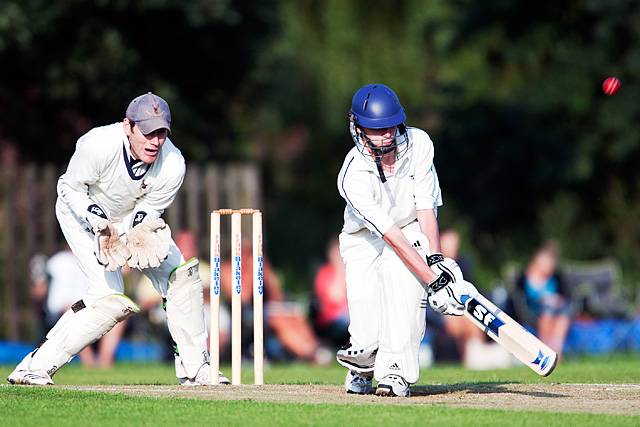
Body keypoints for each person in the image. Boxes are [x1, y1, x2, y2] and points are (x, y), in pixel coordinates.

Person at [7, 92, 228, 386]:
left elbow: (148, 208)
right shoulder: (97, 144)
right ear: (128, 126)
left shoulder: (173, 163)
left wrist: (137, 232)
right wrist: (99, 224)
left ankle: (196, 368)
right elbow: (71, 189)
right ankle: (32, 368)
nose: (155, 141)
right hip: (80, 213)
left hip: (127, 217)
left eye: (161, 133)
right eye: (148, 132)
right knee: (107, 297)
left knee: (181, 276)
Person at [336, 83, 477, 396]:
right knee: (366, 332)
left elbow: (426, 208)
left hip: (412, 227)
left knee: (403, 287)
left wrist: (437, 262)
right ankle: (364, 364)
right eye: (376, 129)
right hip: (364, 240)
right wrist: (433, 282)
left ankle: (396, 371)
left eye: (389, 126)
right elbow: (389, 235)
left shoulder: (420, 144)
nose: (386, 135)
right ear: (357, 127)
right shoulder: (352, 176)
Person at [220, 242, 331, 364]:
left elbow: (276, 293)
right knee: (279, 320)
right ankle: (308, 352)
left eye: (250, 252)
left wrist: (264, 270)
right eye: (246, 253)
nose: (248, 256)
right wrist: (251, 274)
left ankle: (312, 346)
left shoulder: (260, 265)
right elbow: (243, 297)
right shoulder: (228, 269)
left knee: (295, 315)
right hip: (248, 312)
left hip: (268, 308)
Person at [514, 241, 571, 356]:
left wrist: (556, 300)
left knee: (563, 314)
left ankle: (556, 353)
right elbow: (520, 299)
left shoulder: (556, 277)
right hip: (533, 311)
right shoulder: (525, 277)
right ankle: (545, 351)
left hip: (556, 310)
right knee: (547, 310)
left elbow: (566, 295)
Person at [312, 237, 350, 348]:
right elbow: (335, 297)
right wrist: (340, 269)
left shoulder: (353, 271)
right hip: (332, 320)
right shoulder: (325, 273)